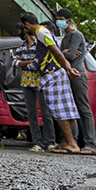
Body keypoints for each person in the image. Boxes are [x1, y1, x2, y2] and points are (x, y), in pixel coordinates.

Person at [21, 12, 81, 155]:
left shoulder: (41, 32)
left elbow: (56, 52)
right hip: (56, 72)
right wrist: (67, 68)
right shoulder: (44, 32)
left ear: (26, 25)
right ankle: (67, 141)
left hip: (53, 73)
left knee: (59, 109)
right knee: (65, 108)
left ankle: (72, 143)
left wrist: (67, 67)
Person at [56, 8, 96, 155]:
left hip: (77, 74)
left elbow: (71, 56)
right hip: (68, 75)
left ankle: (91, 144)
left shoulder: (76, 35)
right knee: (71, 110)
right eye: (57, 18)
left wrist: (65, 53)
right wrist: (64, 53)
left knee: (84, 108)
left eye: (60, 18)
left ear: (68, 20)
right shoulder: (66, 37)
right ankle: (73, 142)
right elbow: (63, 56)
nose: (58, 21)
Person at [14, 23, 56, 152]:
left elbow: (38, 64)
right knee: (31, 114)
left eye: (19, 30)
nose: (18, 33)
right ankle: (37, 142)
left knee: (46, 113)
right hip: (26, 83)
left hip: (40, 82)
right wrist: (29, 63)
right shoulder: (20, 47)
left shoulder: (39, 45)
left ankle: (50, 141)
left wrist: (24, 64)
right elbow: (15, 63)